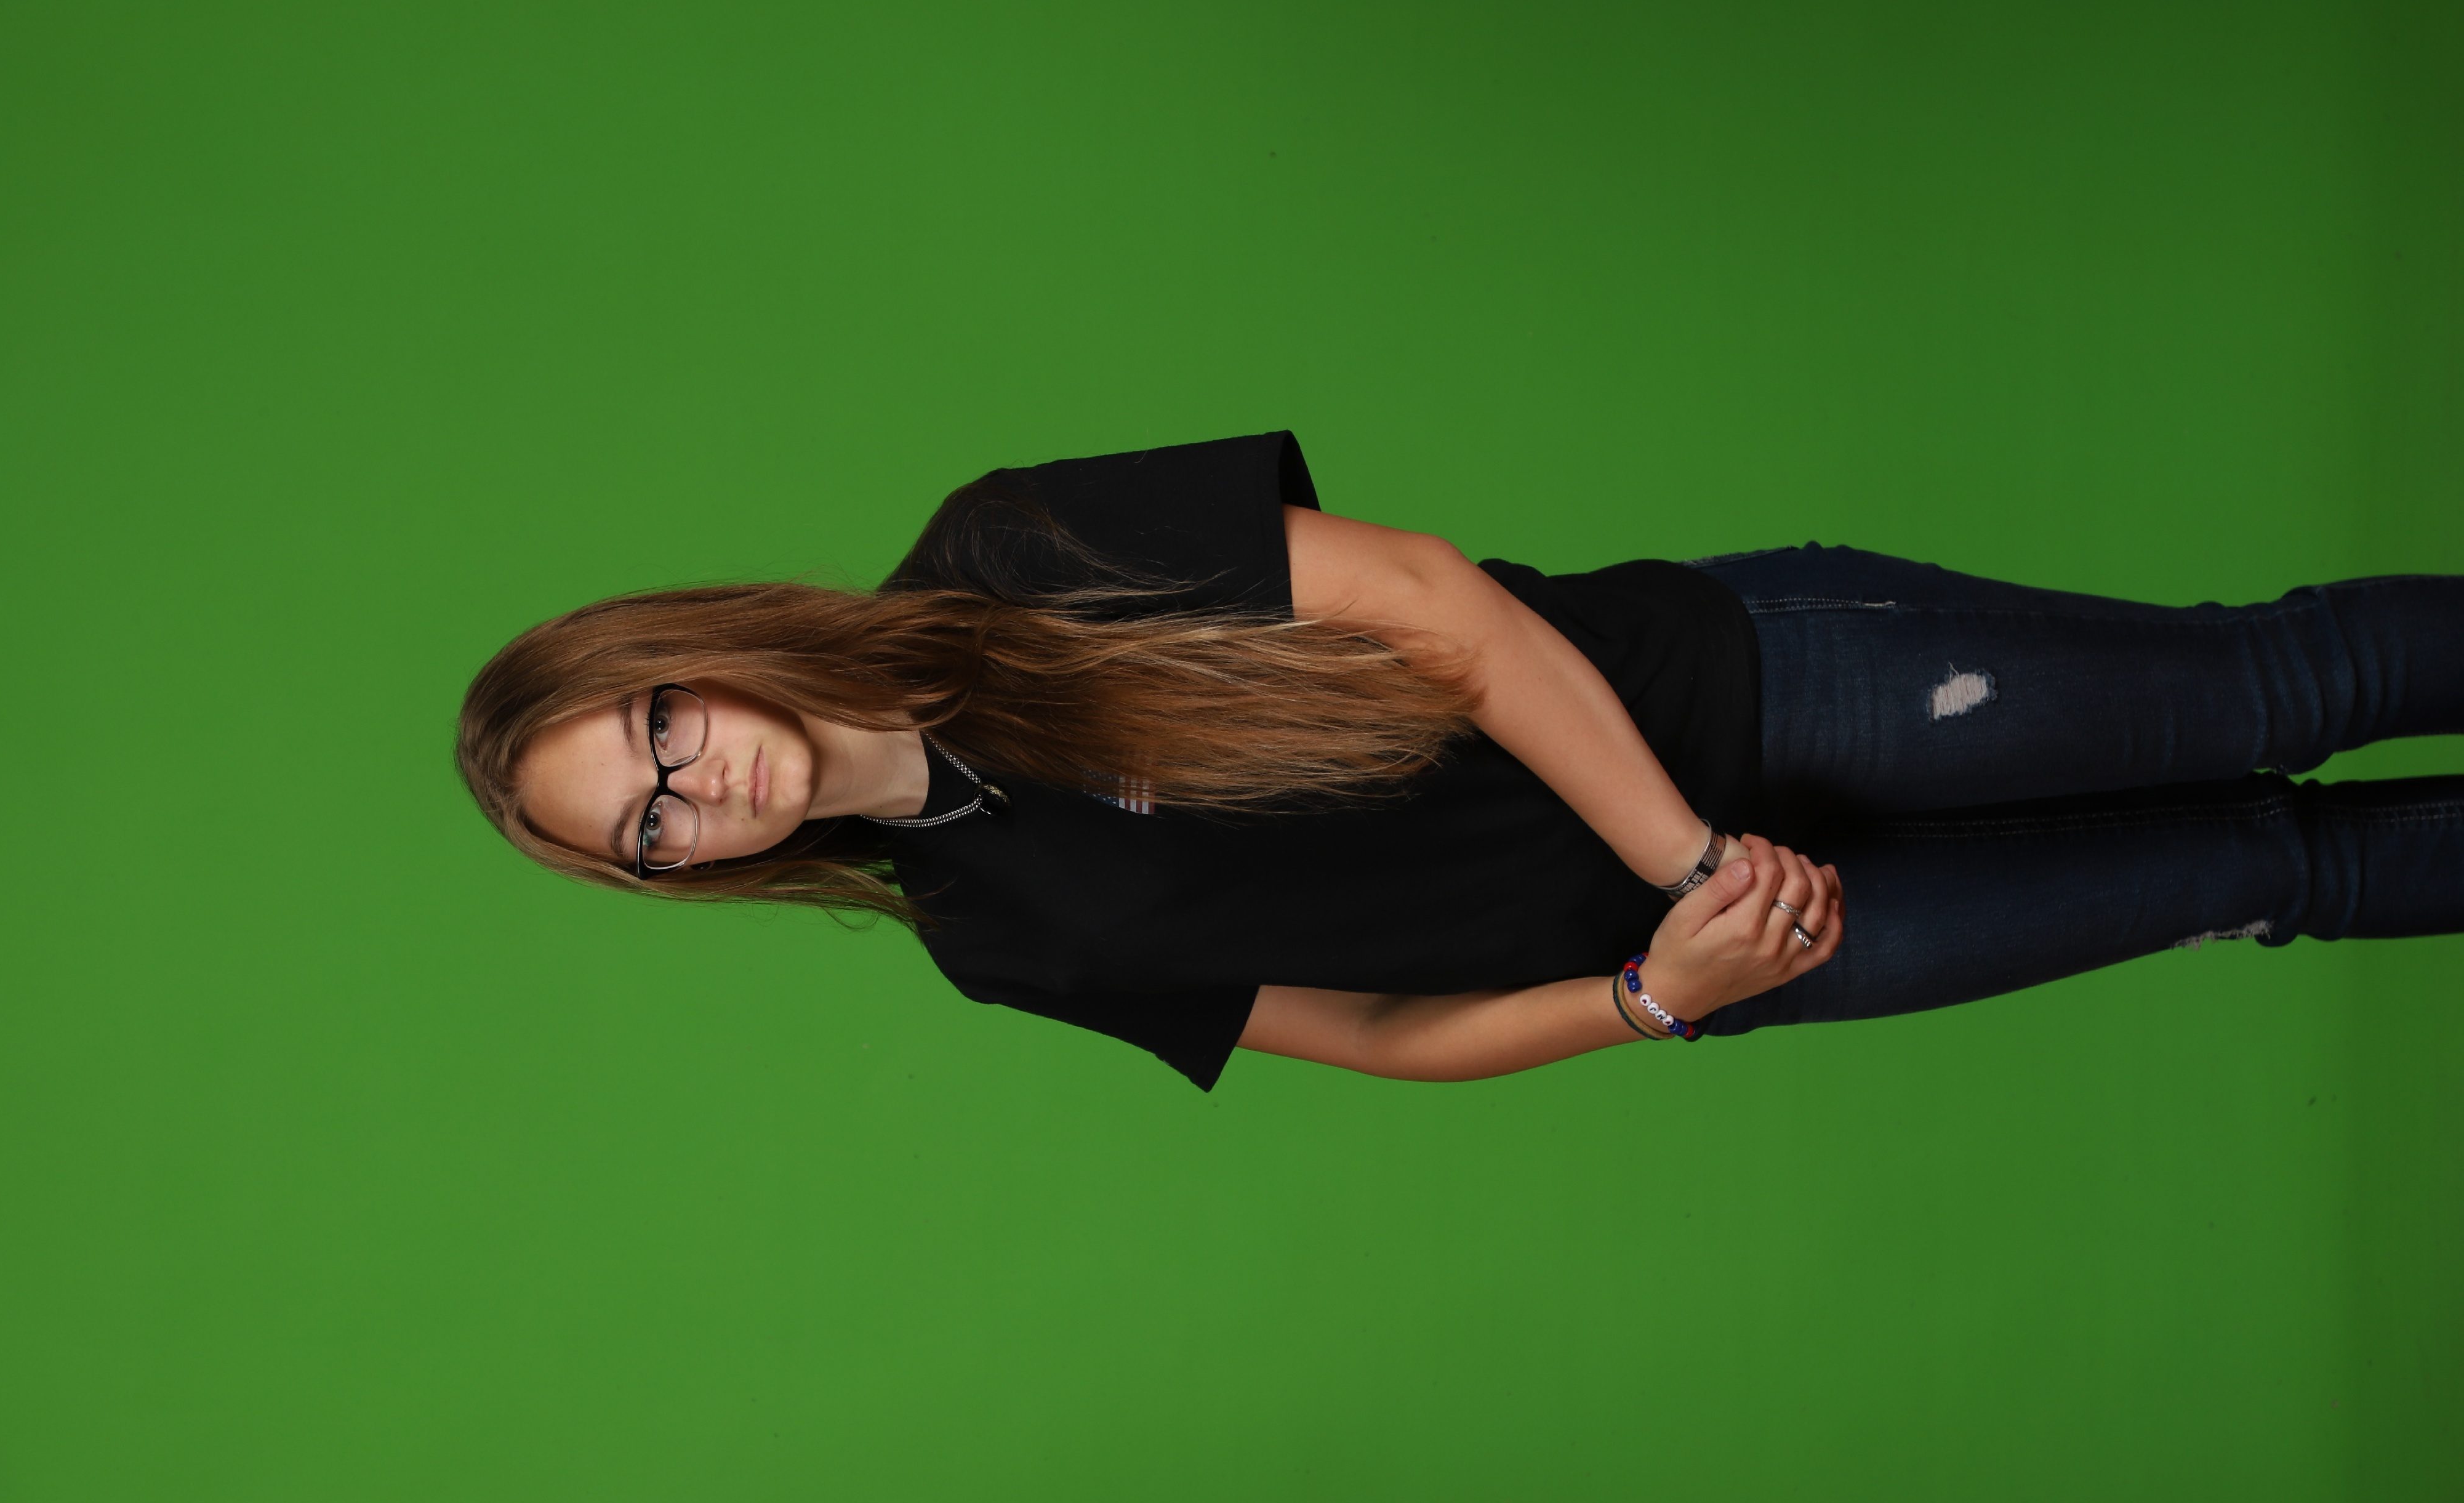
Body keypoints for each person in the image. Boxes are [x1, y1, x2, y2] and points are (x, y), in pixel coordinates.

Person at [457, 432, 2464, 1090]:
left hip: (1746, 699)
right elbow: (1384, 1033)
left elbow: (1436, 607)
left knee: (2271, 693)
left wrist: (1682, 858)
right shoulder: (992, 939)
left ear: (688, 661)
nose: (692, 788)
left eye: (656, 731)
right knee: (2267, 877)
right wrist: (1658, 993)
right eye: (649, 828)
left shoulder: (1011, 555)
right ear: (680, 874)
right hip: (1747, 939)